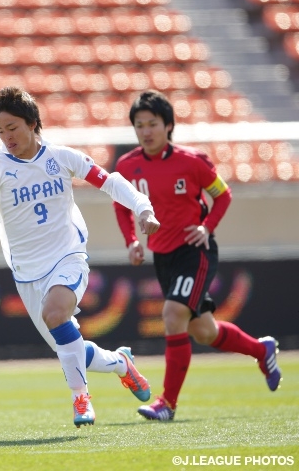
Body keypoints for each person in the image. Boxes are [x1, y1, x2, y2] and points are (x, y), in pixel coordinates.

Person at [0, 86, 161, 427]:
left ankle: (81, 399)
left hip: (68, 257)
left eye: (12, 128)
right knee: (69, 347)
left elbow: (110, 182)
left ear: (31, 123)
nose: (6, 137)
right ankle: (120, 363)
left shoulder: (61, 157)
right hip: (28, 273)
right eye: (0, 130)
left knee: (56, 315)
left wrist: (143, 209)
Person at [113, 89, 282, 421]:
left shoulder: (193, 162)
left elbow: (222, 195)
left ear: (168, 126)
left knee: (173, 314)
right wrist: (132, 240)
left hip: (195, 250)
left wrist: (206, 227)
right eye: (140, 125)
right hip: (162, 256)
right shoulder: (127, 165)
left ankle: (167, 404)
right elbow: (121, 204)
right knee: (204, 331)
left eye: (152, 124)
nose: (146, 131)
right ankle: (262, 350)